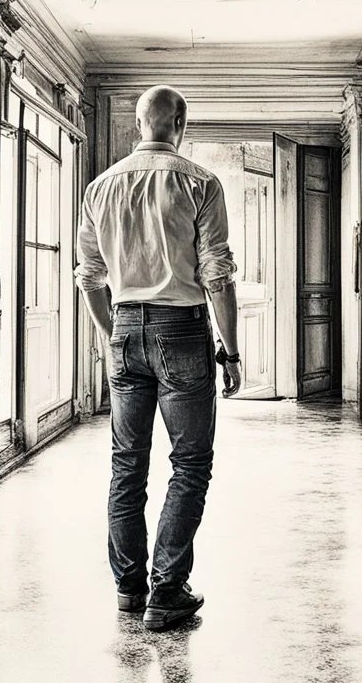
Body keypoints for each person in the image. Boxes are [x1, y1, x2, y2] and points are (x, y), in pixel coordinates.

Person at [75, 84, 242, 631]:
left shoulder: (100, 188)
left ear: (138, 125)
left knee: (127, 466)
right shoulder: (200, 182)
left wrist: (111, 334)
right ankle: (165, 589)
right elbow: (216, 274)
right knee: (190, 464)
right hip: (183, 333)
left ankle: (127, 589)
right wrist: (231, 350)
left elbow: (89, 278)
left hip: (125, 327)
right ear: (180, 125)